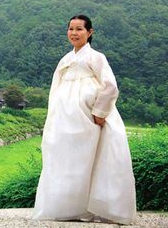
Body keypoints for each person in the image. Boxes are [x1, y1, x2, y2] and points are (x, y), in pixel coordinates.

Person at [32, 15, 136, 225]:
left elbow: (110, 86)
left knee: (95, 159)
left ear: (90, 33)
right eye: (71, 29)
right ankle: (71, 206)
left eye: (79, 29)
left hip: (90, 118)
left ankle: (97, 207)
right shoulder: (66, 59)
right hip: (65, 120)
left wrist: (99, 112)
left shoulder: (96, 57)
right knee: (69, 160)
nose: (74, 33)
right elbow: (56, 89)